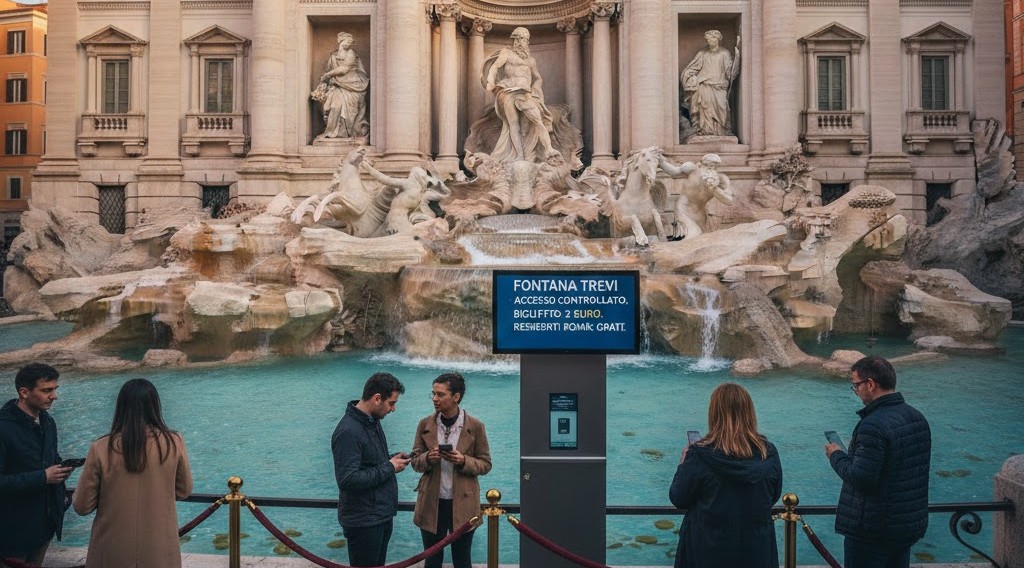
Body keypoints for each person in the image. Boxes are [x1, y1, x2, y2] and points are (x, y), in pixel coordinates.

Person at [71, 378, 193, 568]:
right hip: (159, 548)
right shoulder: (174, 442)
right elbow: (184, 490)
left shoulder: (101, 447)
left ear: (121, 407)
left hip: (111, 549)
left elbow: (82, 506)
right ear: (155, 405)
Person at [826, 356, 931, 568]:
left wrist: (836, 455)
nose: (856, 391)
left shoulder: (872, 425)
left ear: (871, 384)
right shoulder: (917, 417)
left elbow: (861, 478)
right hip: (907, 524)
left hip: (873, 529)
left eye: (856, 385)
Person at [669, 383, 782, 568]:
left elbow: (679, 498)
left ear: (714, 414)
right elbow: (773, 495)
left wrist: (683, 464)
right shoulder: (768, 452)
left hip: (706, 548)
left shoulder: (699, 454)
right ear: (749, 413)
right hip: (756, 548)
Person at [411, 372, 492, 568]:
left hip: (463, 502)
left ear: (456, 397)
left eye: (440, 394)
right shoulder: (424, 424)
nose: (434, 399)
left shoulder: (476, 426)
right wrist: (428, 458)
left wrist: (463, 461)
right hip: (432, 502)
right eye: (433, 394)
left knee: (462, 560)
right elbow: (414, 462)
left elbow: (485, 464)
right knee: (432, 560)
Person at [332, 372, 410, 567]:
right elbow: (348, 479)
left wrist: (391, 459)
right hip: (364, 521)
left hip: (378, 515)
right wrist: (390, 466)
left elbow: (369, 462)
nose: (393, 409)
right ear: (377, 398)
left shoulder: (371, 422)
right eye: (391, 403)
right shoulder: (348, 431)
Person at [0, 363, 70, 567]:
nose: (54, 396)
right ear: (24, 392)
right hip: (11, 532)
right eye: (47, 390)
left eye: (55, 389)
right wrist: (43, 477)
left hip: (44, 525)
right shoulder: (3, 428)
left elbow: (50, 458)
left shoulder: (48, 421)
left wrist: (61, 470)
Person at [482, 27, 562, 163]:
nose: (525, 42)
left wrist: (536, 89)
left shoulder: (531, 61)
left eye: (527, 39)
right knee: (513, 124)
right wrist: (490, 81)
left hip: (525, 93)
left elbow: (537, 78)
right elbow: (495, 67)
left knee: (537, 119)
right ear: (516, 40)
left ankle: (548, 149)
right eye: (523, 39)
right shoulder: (506, 53)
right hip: (508, 91)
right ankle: (519, 156)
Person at [681, 30, 740, 137]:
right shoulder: (702, 54)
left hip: (719, 86)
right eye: (708, 39)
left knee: (722, 108)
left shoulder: (724, 53)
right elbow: (692, 68)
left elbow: (729, 71)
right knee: (704, 109)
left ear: (718, 39)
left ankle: (722, 131)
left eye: (713, 38)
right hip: (704, 85)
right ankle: (705, 131)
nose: (710, 41)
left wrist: (733, 69)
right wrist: (690, 77)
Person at [315, 31, 369, 139]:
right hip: (337, 85)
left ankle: (347, 132)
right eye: (347, 41)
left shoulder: (351, 53)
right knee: (334, 106)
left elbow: (344, 69)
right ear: (340, 40)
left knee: (351, 108)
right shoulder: (333, 56)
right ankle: (332, 131)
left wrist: (328, 75)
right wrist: (326, 83)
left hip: (353, 86)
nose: (349, 43)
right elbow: (328, 69)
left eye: (351, 42)